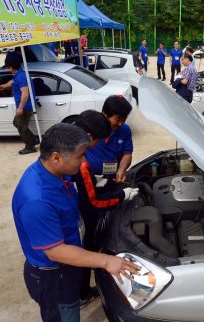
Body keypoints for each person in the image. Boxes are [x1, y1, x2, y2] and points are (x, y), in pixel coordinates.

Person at [12, 123, 140, 322]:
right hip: (55, 277)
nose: (84, 162)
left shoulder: (56, 174)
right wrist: (107, 261)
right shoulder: (38, 201)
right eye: (80, 156)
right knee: (66, 315)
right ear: (56, 157)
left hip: (67, 268)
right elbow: (56, 251)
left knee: (72, 303)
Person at [71, 110, 139, 306]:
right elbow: (94, 204)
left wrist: (93, 182)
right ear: (89, 137)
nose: (97, 146)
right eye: (98, 141)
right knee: (85, 252)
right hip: (80, 217)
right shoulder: (81, 164)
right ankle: (82, 294)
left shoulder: (69, 148)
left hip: (74, 207)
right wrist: (121, 196)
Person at [86, 95, 134, 183]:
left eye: (124, 119)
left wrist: (121, 170)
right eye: (118, 119)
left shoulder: (125, 130)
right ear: (105, 114)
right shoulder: (90, 127)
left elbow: (127, 153)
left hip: (113, 178)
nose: (121, 123)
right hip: (89, 178)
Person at [0, 53, 38, 155]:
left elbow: (25, 93)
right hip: (24, 105)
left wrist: (20, 108)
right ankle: (34, 139)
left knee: (21, 127)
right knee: (17, 123)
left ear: (10, 67)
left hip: (25, 106)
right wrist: (5, 85)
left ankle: (30, 146)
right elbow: (13, 81)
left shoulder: (21, 77)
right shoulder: (20, 74)